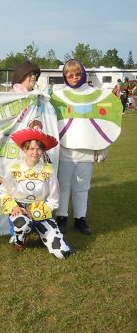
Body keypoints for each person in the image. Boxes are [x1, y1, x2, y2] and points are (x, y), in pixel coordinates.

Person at [52, 59, 117, 235]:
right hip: (65, 148)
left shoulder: (96, 94)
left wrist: (102, 144)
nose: (73, 77)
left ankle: (81, 218)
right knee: (63, 185)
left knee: (82, 186)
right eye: (69, 75)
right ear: (65, 76)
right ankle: (61, 217)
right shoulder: (58, 94)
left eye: (77, 74)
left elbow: (107, 118)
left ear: (84, 74)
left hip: (87, 148)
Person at [0, 128, 71, 259]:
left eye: (38, 149)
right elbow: (3, 191)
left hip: (41, 211)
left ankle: (42, 232)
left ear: (43, 150)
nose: (35, 152)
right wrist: (14, 207)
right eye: (31, 149)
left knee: (62, 253)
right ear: (24, 149)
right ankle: (19, 240)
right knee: (22, 223)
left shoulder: (48, 170)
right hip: (20, 211)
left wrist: (34, 213)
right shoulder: (15, 169)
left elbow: (54, 200)